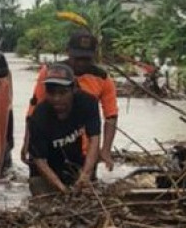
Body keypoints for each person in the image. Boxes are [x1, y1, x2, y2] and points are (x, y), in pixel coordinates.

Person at [21, 30, 119, 171]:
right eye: (77, 58)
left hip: (84, 150)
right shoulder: (50, 73)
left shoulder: (102, 78)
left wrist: (105, 150)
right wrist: (27, 142)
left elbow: (111, 116)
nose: (81, 63)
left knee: (84, 188)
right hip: (49, 143)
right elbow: (34, 110)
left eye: (86, 59)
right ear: (68, 52)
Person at [26, 63, 102, 194]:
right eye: (51, 93)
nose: (57, 99)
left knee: (89, 191)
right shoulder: (39, 116)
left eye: (62, 93)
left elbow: (94, 139)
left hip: (74, 162)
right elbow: (40, 161)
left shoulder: (88, 103)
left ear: (73, 89)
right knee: (41, 192)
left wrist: (86, 173)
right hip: (45, 170)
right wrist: (61, 188)